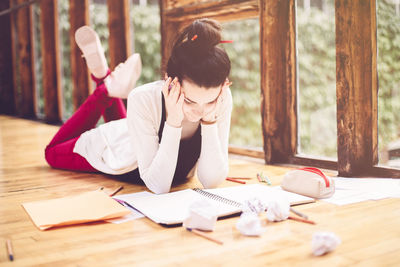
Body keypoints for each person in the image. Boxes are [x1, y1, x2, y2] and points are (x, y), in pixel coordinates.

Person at [45, 18, 232, 194]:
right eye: (190, 101)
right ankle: (105, 89)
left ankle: (105, 78)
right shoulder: (143, 98)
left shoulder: (221, 98)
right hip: (119, 153)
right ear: (169, 82)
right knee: (51, 153)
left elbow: (211, 182)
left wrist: (209, 121)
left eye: (210, 101)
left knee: (131, 124)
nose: (199, 111)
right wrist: (174, 121)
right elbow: (158, 186)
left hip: (137, 132)